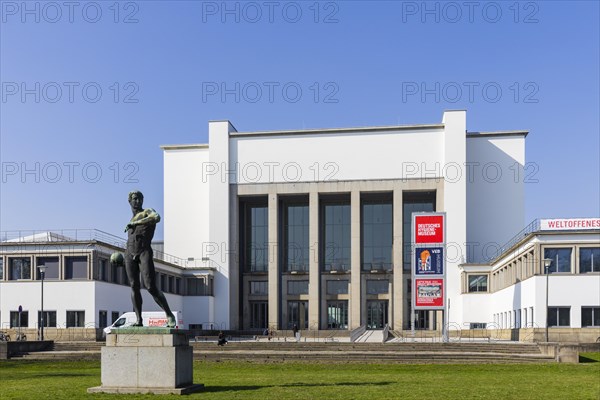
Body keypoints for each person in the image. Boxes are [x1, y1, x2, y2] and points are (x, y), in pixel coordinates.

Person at [123, 190, 176, 328]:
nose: (137, 201)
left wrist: (137, 222)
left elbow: (156, 217)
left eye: (140, 199)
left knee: (150, 286)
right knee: (134, 286)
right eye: (134, 199)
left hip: (144, 252)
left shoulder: (147, 212)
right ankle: (138, 319)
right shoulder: (130, 219)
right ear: (129, 201)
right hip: (129, 253)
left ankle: (169, 314)